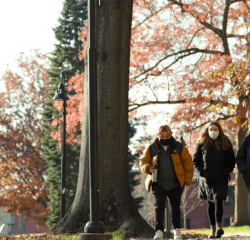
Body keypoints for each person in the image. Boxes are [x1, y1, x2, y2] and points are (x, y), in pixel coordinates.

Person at [139, 125, 194, 240]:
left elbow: (188, 164)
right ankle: (159, 231)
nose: (164, 138)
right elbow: (143, 162)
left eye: (166, 136)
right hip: (158, 182)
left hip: (175, 183)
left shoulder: (179, 147)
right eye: (162, 136)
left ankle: (177, 231)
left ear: (170, 135)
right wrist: (149, 168)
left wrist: (186, 181)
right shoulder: (151, 148)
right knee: (159, 205)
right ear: (158, 135)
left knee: (175, 207)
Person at [192, 121, 235, 239]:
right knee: (210, 202)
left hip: (221, 177)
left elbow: (231, 160)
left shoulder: (225, 142)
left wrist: (225, 172)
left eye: (215, 129)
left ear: (219, 130)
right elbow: (195, 161)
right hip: (207, 179)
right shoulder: (202, 142)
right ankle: (213, 229)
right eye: (211, 129)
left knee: (218, 200)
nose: (213, 131)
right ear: (207, 130)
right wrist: (203, 173)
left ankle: (219, 226)